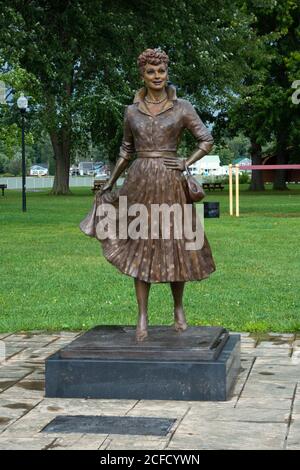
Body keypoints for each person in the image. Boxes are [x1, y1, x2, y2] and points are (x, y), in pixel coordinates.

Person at [80, 48, 216, 342]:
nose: (157, 76)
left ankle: (178, 308)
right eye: (151, 72)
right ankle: (142, 315)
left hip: (170, 182)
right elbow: (126, 150)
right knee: (139, 246)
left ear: (168, 72)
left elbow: (206, 139)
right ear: (142, 75)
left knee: (176, 244)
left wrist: (185, 162)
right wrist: (111, 181)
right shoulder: (131, 111)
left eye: (161, 71)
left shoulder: (182, 108)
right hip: (139, 183)